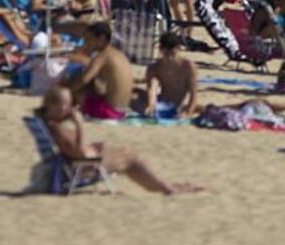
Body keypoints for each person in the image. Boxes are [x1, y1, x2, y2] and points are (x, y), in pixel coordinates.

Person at [38, 86, 198, 194]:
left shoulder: (50, 122)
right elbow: (79, 153)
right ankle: (169, 188)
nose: (67, 107)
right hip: (87, 165)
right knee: (132, 158)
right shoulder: (56, 127)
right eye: (63, 104)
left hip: (83, 160)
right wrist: (79, 125)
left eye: (68, 103)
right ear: (50, 104)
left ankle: (168, 186)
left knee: (132, 161)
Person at [64, 22, 134, 120]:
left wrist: (64, 91)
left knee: (77, 89)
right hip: (122, 111)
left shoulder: (102, 56)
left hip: (109, 112)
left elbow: (83, 80)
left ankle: (64, 110)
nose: (86, 43)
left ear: (101, 38)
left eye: (88, 39)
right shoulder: (119, 55)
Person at [144, 32, 198, 119]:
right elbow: (152, 90)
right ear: (160, 50)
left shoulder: (188, 67)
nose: (169, 58)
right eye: (166, 54)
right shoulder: (154, 67)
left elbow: (193, 94)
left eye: (172, 54)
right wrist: (151, 106)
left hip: (178, 105)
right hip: (161, 102)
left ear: (179, 49)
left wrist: (188, 112)